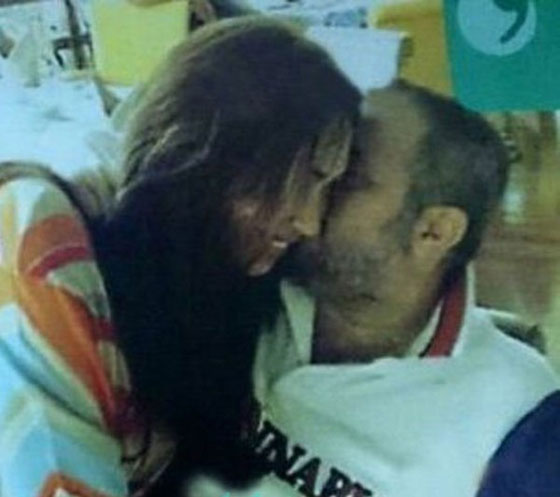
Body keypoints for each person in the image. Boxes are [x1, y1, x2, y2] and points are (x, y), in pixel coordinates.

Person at [0, 17, 360, 497]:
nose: (310, 221)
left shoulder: (214, 289)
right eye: (305, 176)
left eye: (328, 188)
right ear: (206, 154)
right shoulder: (37, 242)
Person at [201, 82, 559, 497]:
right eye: (316, 168)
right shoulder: (247, 278)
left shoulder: (516, 415)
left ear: (432, 231)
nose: (305, 200)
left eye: (347, 180)